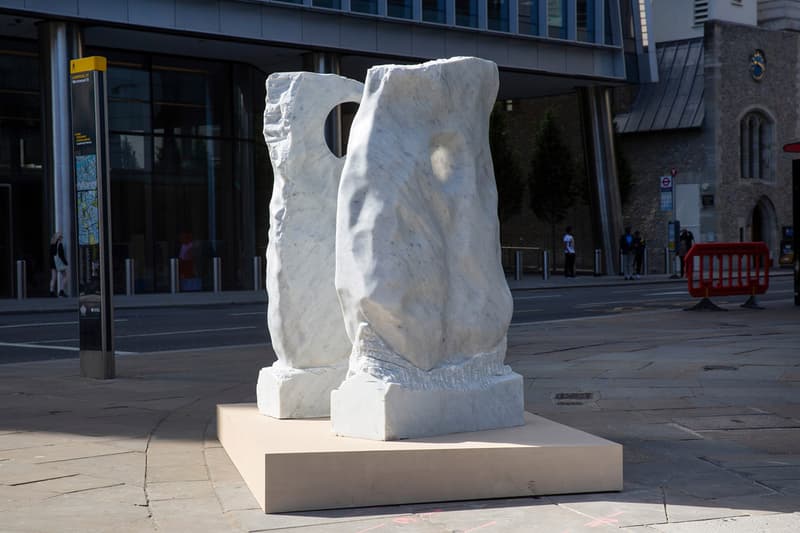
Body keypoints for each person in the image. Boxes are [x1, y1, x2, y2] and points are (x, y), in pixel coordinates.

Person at [49, 231, 69, 297]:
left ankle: (51, 292)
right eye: (61, 237)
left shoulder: (52, 244)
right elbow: (61, 255)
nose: (62, 238)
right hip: (59, 263)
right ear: (59, 237)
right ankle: (61, 290)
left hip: (53, 263)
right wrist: (66, 263)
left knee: (53, 278)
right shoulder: (59, 244)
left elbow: (50, 255)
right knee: (65, 276)